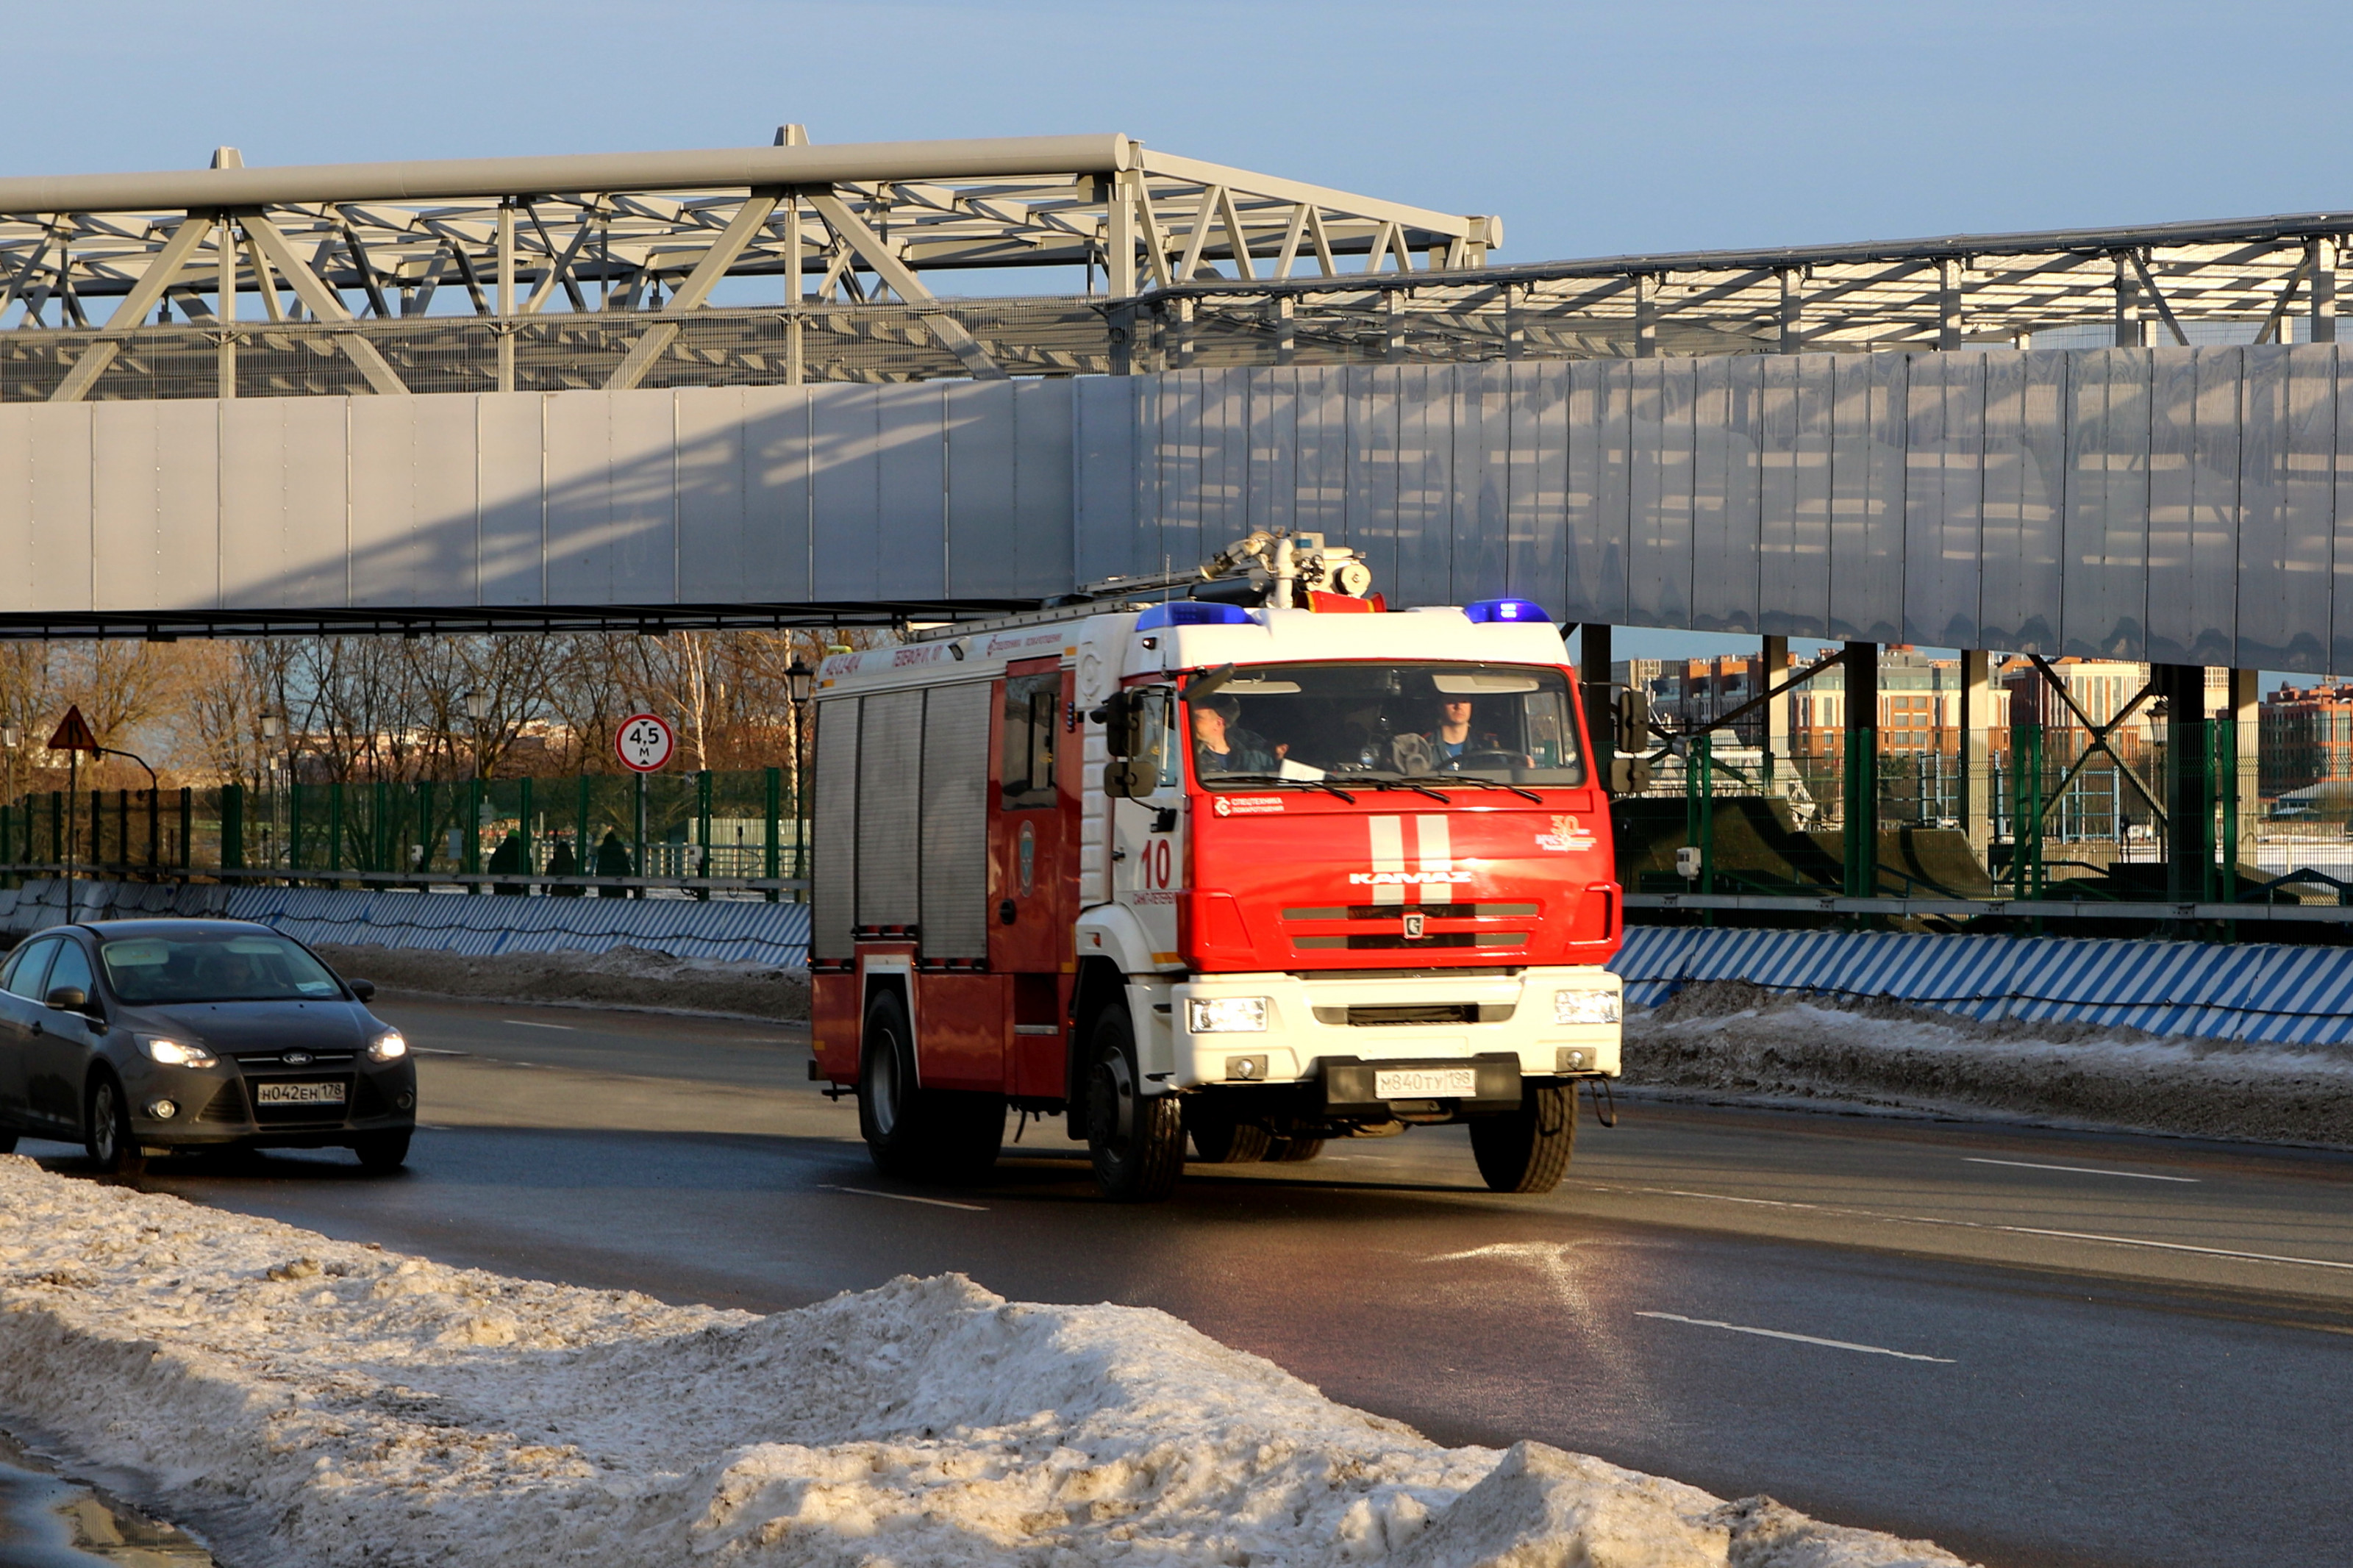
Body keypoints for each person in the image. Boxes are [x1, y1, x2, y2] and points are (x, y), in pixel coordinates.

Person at [1190, 693, 1278, 776]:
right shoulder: (1188, 754)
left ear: (1218, 723)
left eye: (1196, 718)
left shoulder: (1252, 750)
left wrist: (1277, 758)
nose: (1188, 721)